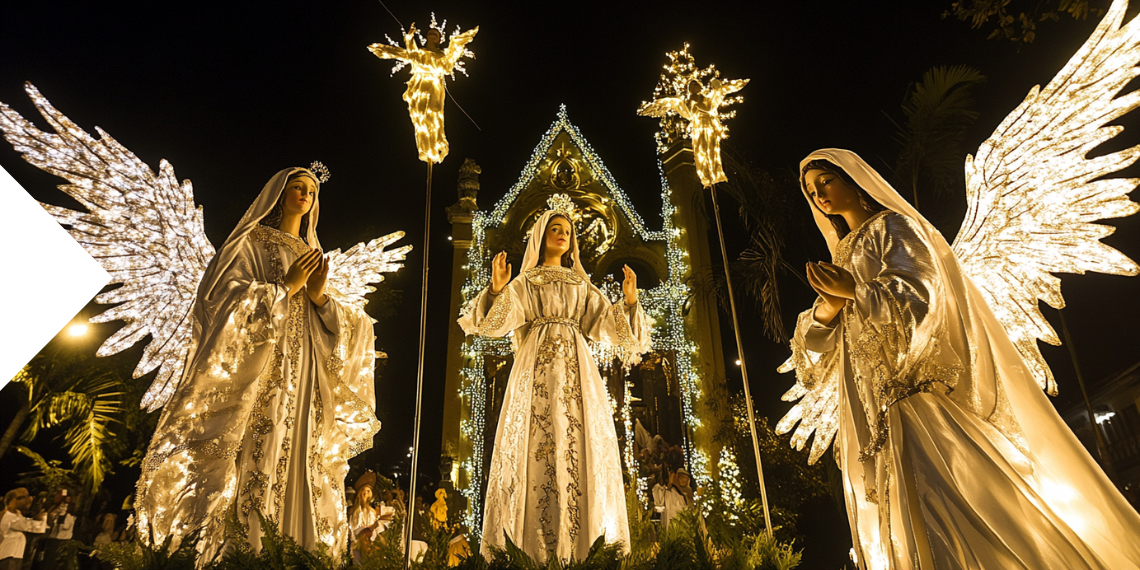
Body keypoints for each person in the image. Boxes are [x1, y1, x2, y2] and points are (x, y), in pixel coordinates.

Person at [783, 149, 1140, 569]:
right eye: (810, 190)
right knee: (901, 518)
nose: (819, 194)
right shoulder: (841, 255)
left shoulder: (893, 227)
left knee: (949, 503)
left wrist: (856, 292)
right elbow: (820, 349)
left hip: (914, 394)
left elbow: (922, 297)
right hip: (873, 410)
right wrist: (826, 310)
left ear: (855, 181)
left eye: (825, 181)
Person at [134, 167, 382, 563]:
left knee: (305, 456)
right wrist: (285, 288)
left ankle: (298, 552)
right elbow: (221, 301)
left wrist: (320, 297)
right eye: (297, 188)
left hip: (307, 380)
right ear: (278, 194)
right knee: (257, 448)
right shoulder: (249, 243)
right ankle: (246, 553)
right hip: (262, 371)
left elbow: (346, 327)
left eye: (311, 191)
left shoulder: (312, 255)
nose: (304, 195)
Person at [459, 207, 652, 562]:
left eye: (567, 230)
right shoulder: (526, 282)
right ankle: (526, 548)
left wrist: (628, 301)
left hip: (579, 370)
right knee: (538, 444)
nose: (563, 234)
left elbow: (611, 328)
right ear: (541, 235)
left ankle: (585, 547)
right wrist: (497, 288)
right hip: (535, 368)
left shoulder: (581, 284)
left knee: (580, 443)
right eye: (555, 228)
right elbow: (490, 325)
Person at [0, 489, 46, 570]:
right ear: (12, 500)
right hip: (8, 556)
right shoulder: (7, 515)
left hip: (16, 556)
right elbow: (28, 526)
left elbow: (39, 528)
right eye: (23, 497)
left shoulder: (18, 515)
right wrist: (37, 519)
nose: (27, 499)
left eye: (27, 496)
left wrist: (41, 515)